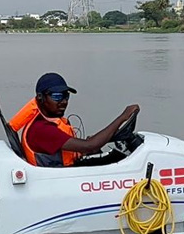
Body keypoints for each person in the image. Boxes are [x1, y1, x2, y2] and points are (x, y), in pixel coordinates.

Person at [9, 72, 140, 167]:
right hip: (59, 179)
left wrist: (104, 138)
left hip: (66, 171)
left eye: (66, 96)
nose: (64, 102)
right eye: (57, 96)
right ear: (40, 97)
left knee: (116, 157)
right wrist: (122, 117)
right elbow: (90, 146)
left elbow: (88, 145)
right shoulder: (41, 129)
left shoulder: (47, 121)